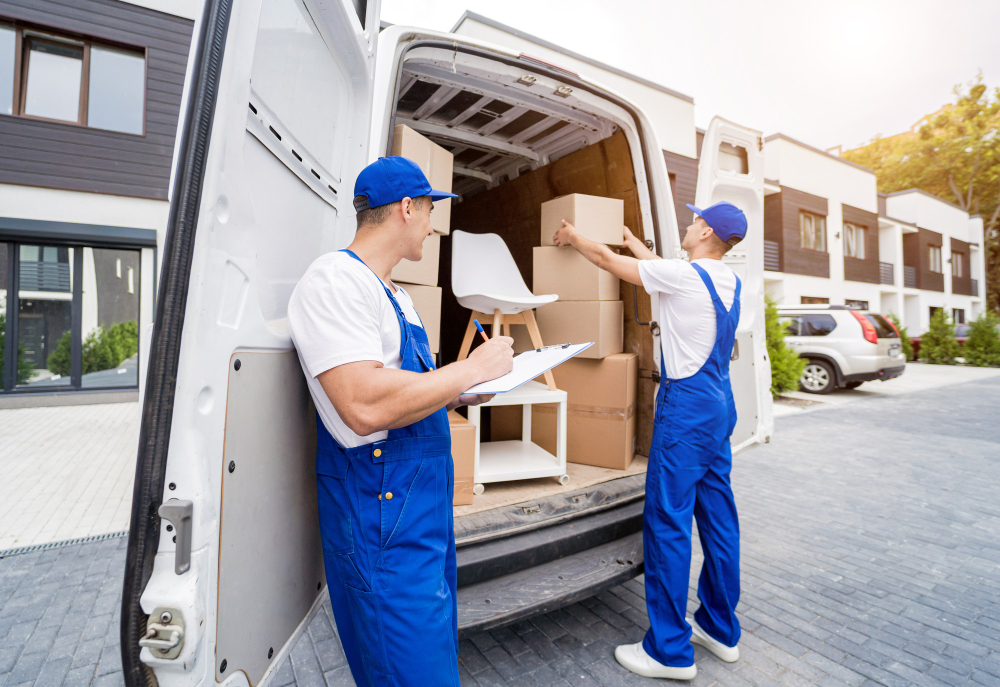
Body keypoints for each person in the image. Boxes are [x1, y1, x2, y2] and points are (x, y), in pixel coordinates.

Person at [287, 156, 514, 687]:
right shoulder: (335, 281)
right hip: (381, 511)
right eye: (431, 210)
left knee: (430, 659)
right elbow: (363, 405)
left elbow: (411, 392)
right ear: (407, 208)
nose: (434, 226)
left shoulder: (398, 295)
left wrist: (465, 388)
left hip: (423, 516)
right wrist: (466, 369)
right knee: (410, 673)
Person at [552, 201, 747, 681]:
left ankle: (668, 651)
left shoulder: (683, 278)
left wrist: (575, 238)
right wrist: (629, 238)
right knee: (719, 520)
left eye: (692, 219)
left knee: (668, 523)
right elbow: (661, 270)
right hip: (719, 404)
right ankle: (720, 630)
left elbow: (607, 263)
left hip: (685, 413)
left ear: (704, 230)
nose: (687, 223)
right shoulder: (726, 280)